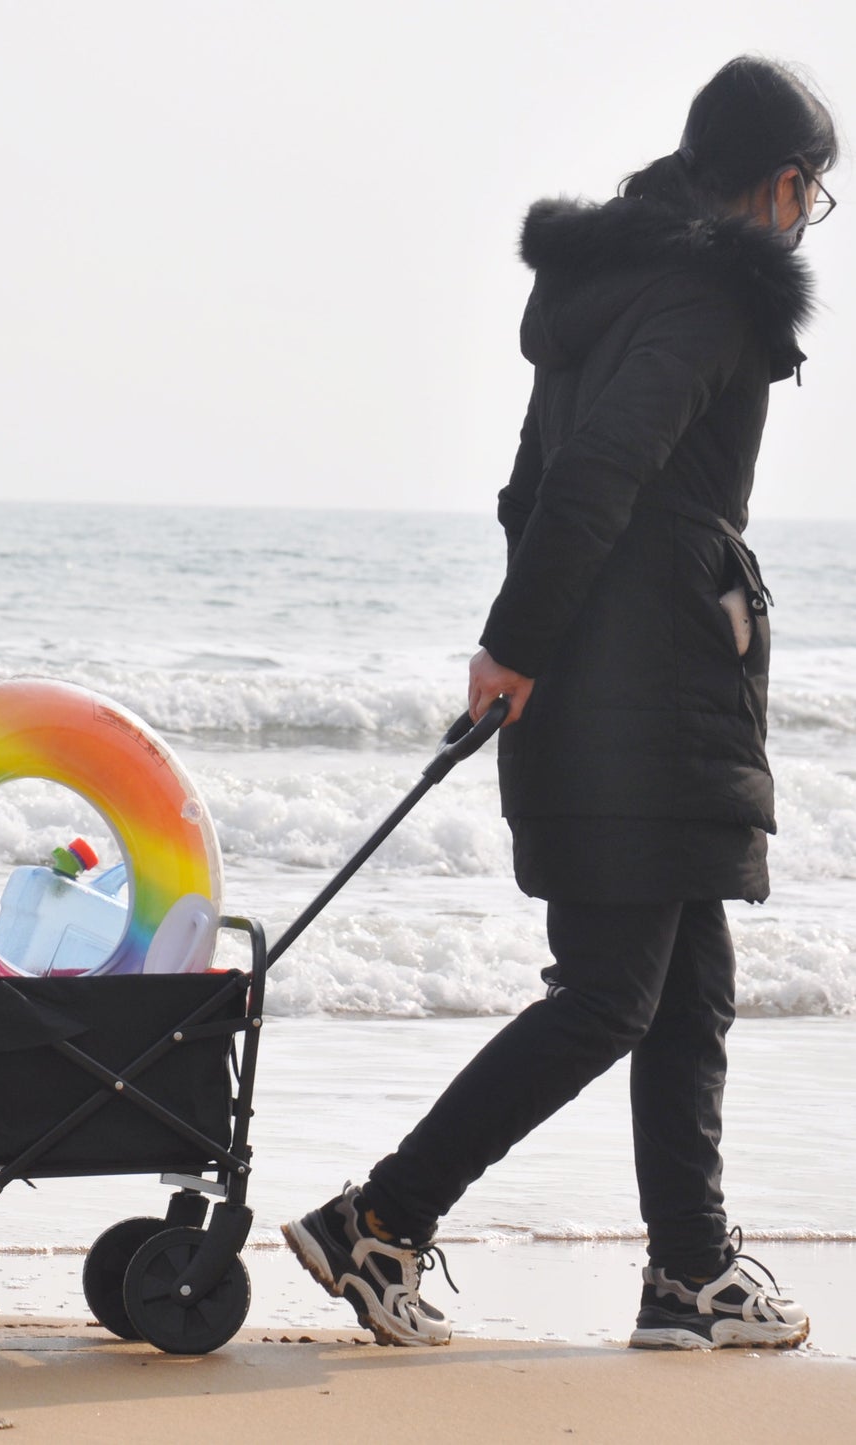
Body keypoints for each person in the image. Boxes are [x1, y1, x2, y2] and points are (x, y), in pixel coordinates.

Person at [284, 56, 838, 1351]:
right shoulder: (706, 297)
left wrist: (531, 640)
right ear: (777, 184)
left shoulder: (612, 287)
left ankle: (688, 1274)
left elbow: (529, 487)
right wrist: (517, 644)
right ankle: (382, 1216)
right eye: (811, 194)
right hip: (639, 684)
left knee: (686, 987)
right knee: (606, 995)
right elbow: (596, 470)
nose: (805, 218)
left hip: (634, 675)